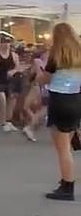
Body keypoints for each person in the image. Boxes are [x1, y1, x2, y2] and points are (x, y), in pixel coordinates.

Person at [38, 22, 81, 200]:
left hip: (59, 100)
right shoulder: (79, 55)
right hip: (75, 99)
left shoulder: (56, 57)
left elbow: (44, 79)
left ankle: (67, 187)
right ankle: (65, 181)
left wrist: (38, 76)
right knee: (67, 145)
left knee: (63, 149)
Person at [0, 35, 21, 132]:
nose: (6, 45)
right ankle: (2, 121)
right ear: (0, 44)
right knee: (2, 99)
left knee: (12, 99)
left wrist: (13, 71)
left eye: (8, 42)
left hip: (10, 81)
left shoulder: (14, 55)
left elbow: (18, 67)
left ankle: (8, 120)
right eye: (3, 42)